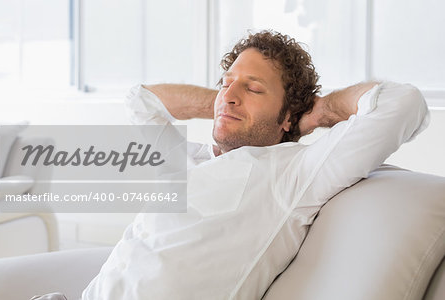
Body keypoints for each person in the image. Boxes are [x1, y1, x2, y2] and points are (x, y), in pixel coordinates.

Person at [34, 30, 429, 300]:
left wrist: (321, 111)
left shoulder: (293, 173)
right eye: (226, 81)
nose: (231, 94)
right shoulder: (185, 161)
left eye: (254, 87)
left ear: (288, 116)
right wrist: (225, 103)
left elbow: (402, 103)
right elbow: (141, 100)